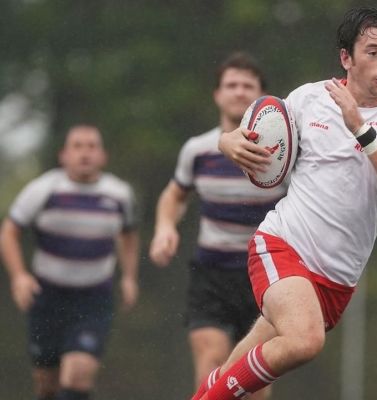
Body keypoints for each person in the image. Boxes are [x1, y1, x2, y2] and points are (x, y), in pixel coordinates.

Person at [188, 6, 377, 399]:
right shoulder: (309, 98)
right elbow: (256, 130)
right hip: (283, 245)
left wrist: (361, 129)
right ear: (346, 58)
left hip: (336, 281)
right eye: (373, 52)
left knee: (240, 375)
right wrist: (227, 140)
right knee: (304, 341)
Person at [148, 52, 284, 399]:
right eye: (231, 85)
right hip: (212, 274)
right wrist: (165, 227)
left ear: (262, 97)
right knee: (212, 360)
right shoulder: (198, 150)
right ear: (217, 95)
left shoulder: (281, 153)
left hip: (265, 275)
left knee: (255, 379)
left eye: (247, 86)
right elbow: (175, 195)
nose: (238, 92)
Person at [0, 125, 139, 400]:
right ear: (64, 155)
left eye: (91, 146)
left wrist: (129, 277)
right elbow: (9, 232)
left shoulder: (119, 194)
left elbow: (129, 235)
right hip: (48, 296)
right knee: (47, 383)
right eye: (77, 146)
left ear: (103, 155)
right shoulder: (43, 189)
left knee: (78, 374)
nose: (85, 153)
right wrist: (19, 276)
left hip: (93, 297)